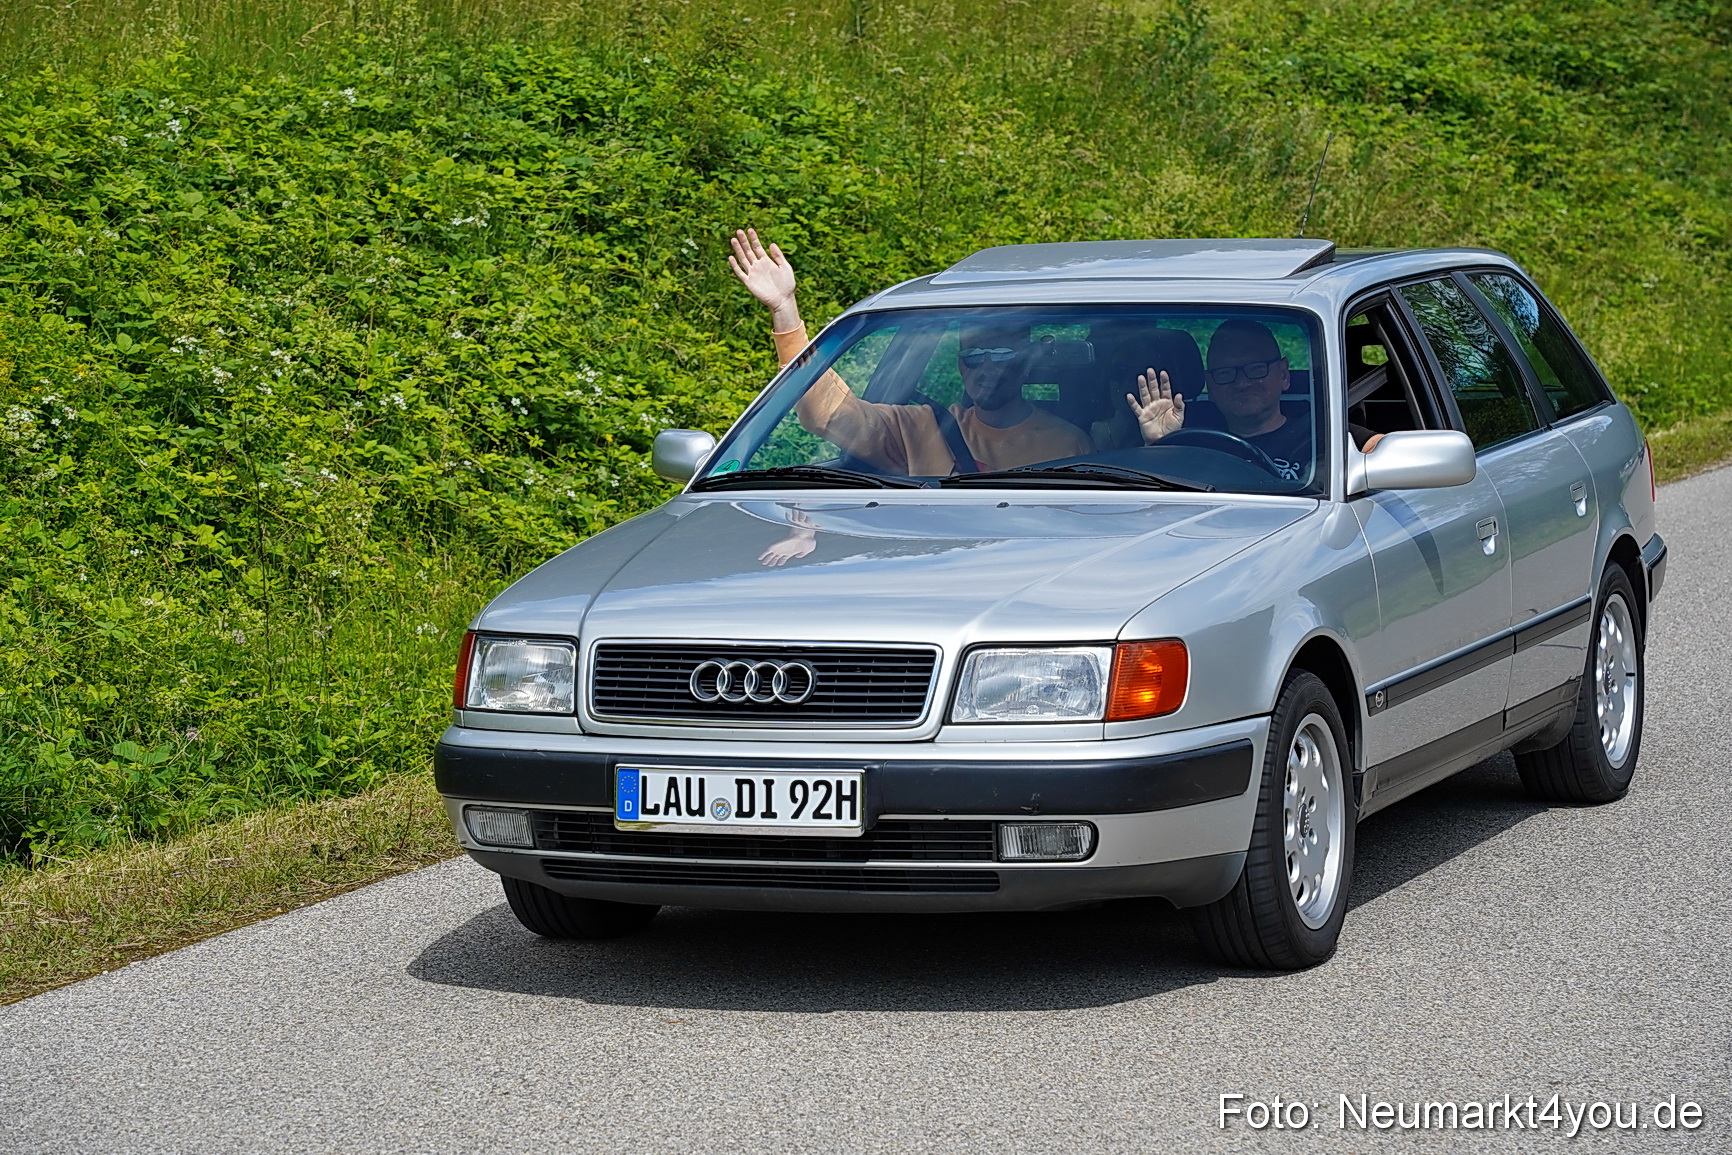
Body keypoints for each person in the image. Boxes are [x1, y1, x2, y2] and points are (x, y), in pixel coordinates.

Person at [728, 228, 1091, 475]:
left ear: (1026, 364)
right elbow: (830, 415)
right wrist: (785, 311)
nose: (986, 366)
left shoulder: (1068, 442)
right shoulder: (921, 426)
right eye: (973, 356)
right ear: (961, 366)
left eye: (1001, 354)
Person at [1125, 319, 1382, 478]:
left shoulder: (1321, 433)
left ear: (1284, 375)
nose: (1242, 383)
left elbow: (1386, 451)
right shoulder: (1187, 434)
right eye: (1225, 373)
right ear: (1209, 384)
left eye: (1256, 369)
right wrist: (1160, 445)